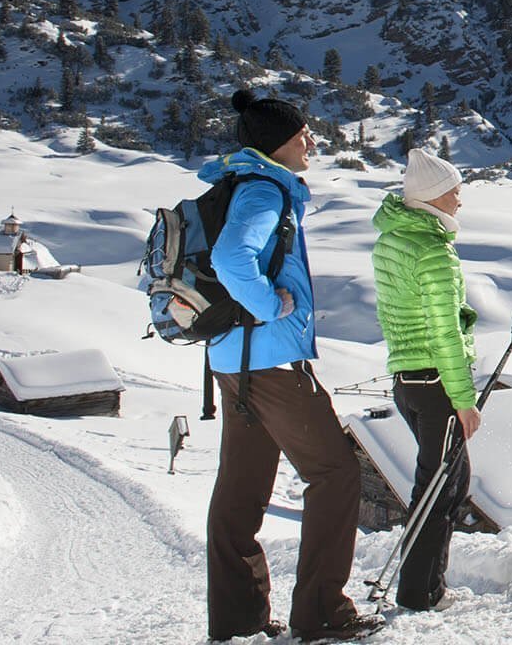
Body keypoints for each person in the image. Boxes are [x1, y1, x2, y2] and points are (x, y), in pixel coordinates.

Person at [205, 89, 381, 643]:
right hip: (273, 362)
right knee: (335, 473)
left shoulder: (241, 184)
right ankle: (322, 612)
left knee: (241, 490)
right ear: (278, 142)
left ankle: (238, 620)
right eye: (302, 133)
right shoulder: (264, 192)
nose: (311, 140)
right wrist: (267, 305)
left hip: (233, 360)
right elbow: (231, 257)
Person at [372, 147, 478, 612]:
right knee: (440, 487)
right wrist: (463, 397)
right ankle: (422, 592)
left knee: (447, 479)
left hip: (406, 379)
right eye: (454, 191)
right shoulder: (434, 251)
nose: (459, 199)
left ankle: (428, 584)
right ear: (435, 196)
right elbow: (443, 331)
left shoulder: (392, 240)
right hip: (437, 383)